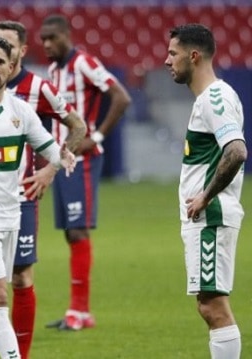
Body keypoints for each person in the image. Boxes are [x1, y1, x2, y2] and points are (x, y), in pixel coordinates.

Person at [0, 20, 86, 358]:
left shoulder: (22, 107)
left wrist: (57, 163)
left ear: (13, 63)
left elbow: (53, 145)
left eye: (1, 61)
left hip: (14, 212)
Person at [39, 14, 132, 330]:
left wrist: (97, 137)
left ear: (66, 35)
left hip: (84, 159)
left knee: (78, 230)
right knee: (69, 231)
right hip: (63, 160)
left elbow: (121, 97)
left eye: (52, 38)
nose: (47, 44)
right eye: (43, 40)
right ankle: (78, 311)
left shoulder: (84, 64)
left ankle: (79, 312)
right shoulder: (54, 70)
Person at [165, 23, 247, 359]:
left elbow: (237, 150)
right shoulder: (211, 98)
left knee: (214, 308)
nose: (167, 61)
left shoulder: (214, 98)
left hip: (211, 217)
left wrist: (206, 195)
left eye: (173, 53)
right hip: (206, 218)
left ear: (193, 56)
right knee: (208, 305)